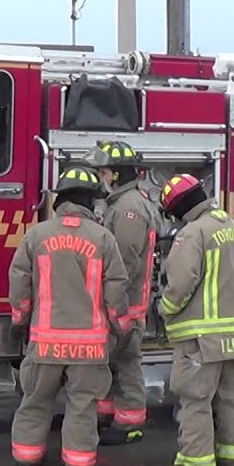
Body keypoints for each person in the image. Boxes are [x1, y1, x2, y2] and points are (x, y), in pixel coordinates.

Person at [9, 167, 131, 466]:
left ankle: (27, 455)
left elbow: (19, 285)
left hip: (45, 344)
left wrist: (20, 321)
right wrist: (122, 329)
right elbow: (116, 292)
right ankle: (78, 462)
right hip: (89, 348)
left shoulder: (36, 235)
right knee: (82, 406)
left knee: (35, 401)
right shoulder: (103, 239)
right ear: (90, 203)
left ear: (60, 199)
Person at [156, 174, 234, 466]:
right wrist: (231, 303)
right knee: (232, 400)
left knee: (196, 402)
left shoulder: (193, 233)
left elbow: (180, 285)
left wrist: (165, 310)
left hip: (200, 342)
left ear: (179, 208)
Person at [82, 139, 159, 446]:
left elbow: (123, 264)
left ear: (115, 175)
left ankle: (130, 423)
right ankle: (109, 415)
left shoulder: (128, 209)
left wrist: (114, 305)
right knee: (112, 363)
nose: (101, 177)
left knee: (126, 363)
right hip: (119, 303)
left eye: (103, 171)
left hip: (126, 305)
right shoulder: (122, 204)